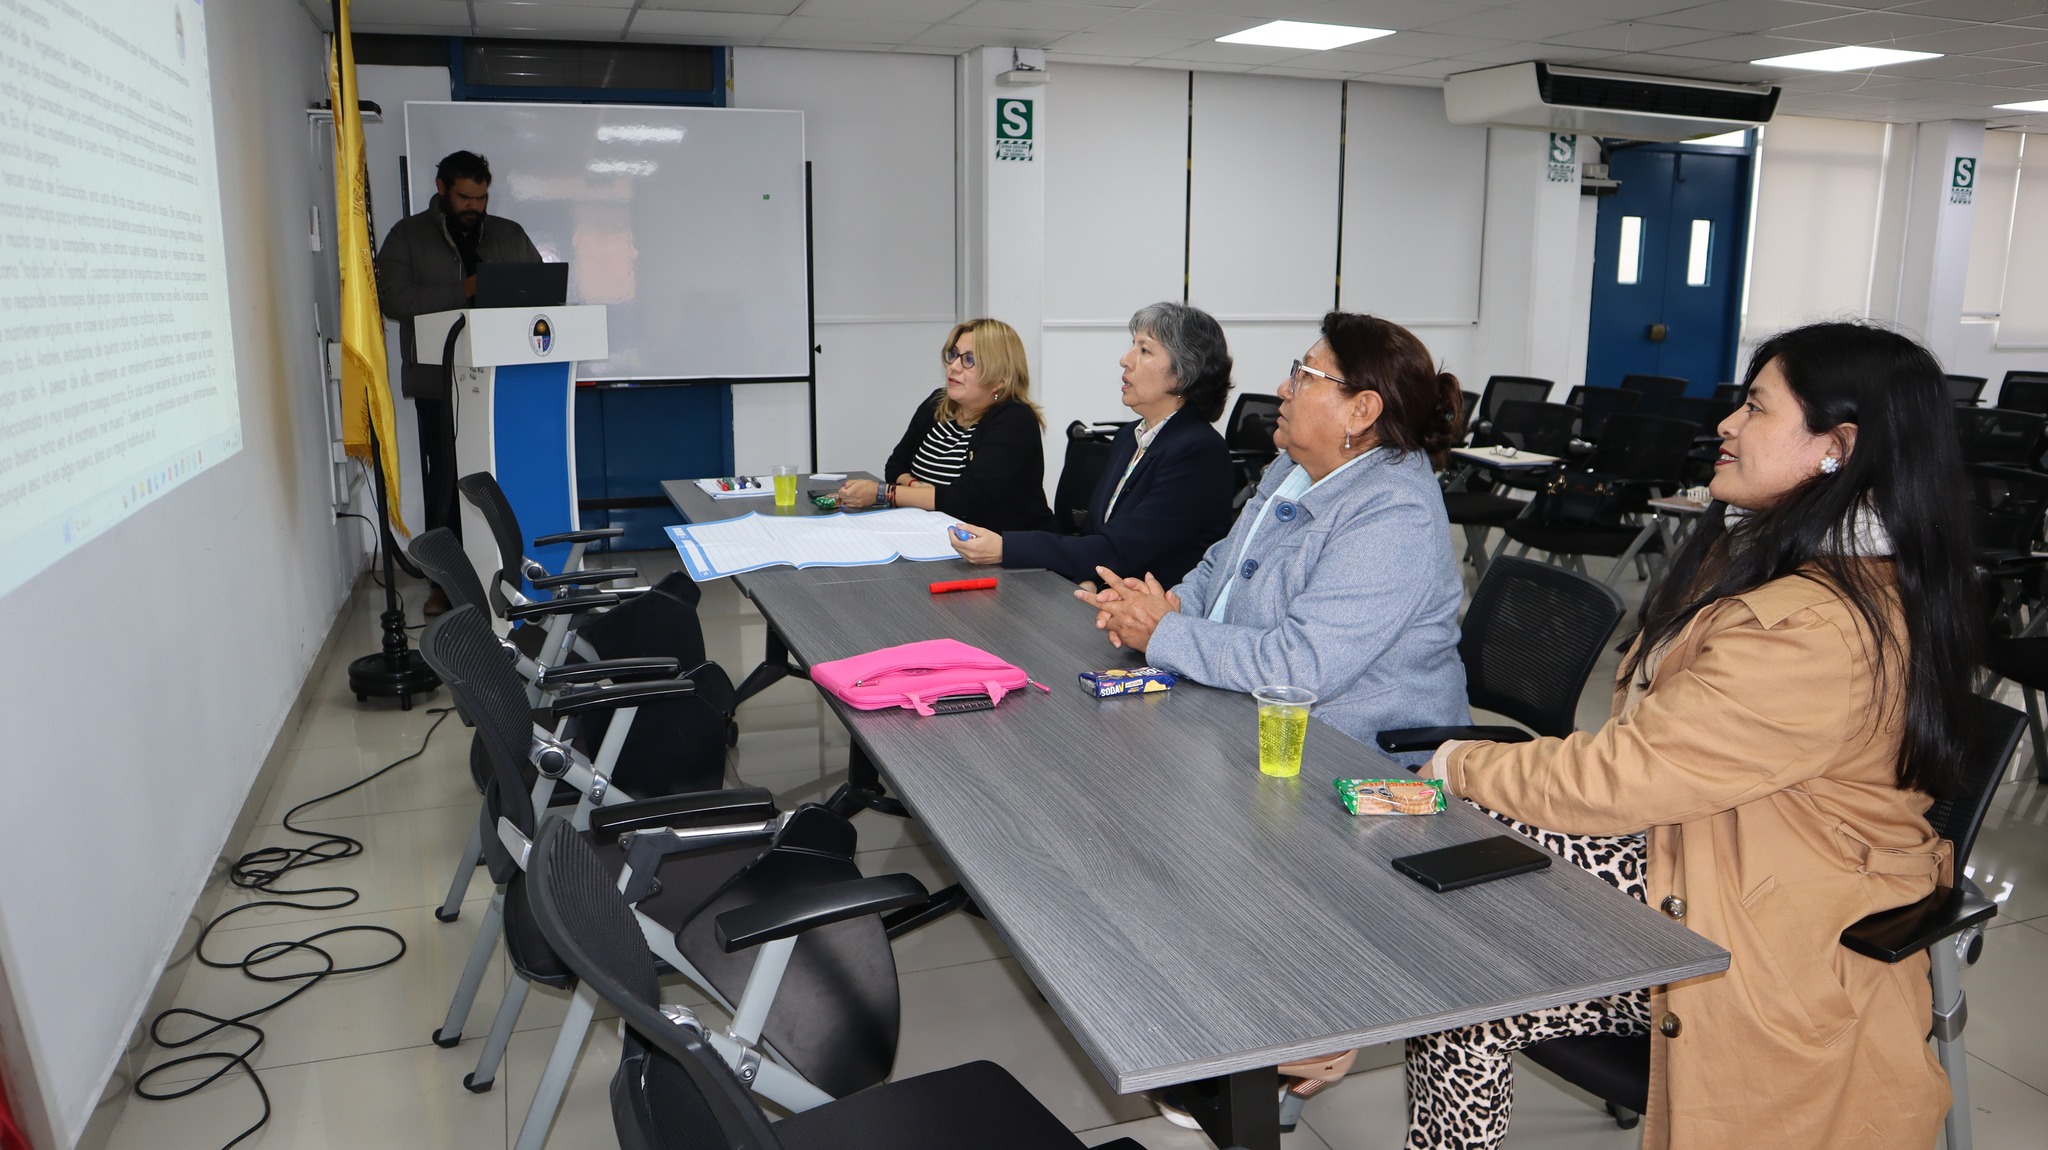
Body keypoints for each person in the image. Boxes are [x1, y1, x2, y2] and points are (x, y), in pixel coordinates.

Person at [1410, 322, 1980, 1150]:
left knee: (1454, 940)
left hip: (1765, 921)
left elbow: (1628, 774)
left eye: (1757, 408)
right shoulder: (1781, 558)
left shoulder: (1819, 626)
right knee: (1446, 925)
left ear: (1838, 447)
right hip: (1708, 853)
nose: (1727, 425)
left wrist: (1463, 765)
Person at [1081, 311, 1470, 759]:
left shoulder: (1396, 514)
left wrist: (1164, 632)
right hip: (1251, 719)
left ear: (1361, 410)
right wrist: (1170, 606)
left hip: (1358, 758)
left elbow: (1299, 667)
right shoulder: (1293, 466)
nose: (1284, 388)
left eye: (1305, 376)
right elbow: (1221, 564)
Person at [948, 302, 1234, 588]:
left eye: (1144, 350)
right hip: (1107, 595)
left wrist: (1005, 548)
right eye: (1132, 346)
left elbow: (1119, 550)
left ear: (1184, 372)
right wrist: (1087, 582)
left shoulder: (1199, 453)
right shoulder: (1129, 437)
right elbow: (1096, 536)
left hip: (1158, 607)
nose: (1125, 360)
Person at [376, 150, 541, 614]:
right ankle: (443, 584)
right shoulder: (407, 236)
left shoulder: (509, 235)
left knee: (505, 478)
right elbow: (393, 299)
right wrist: (462, 291)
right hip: (439, 382)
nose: (474, 206)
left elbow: (542, 291)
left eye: (481, 198)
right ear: (442, 189)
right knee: (446, 484)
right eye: (465, 197)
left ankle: (514, 570)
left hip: (506, 383)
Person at [836, 319, 1055, 534]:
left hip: (1004, 547)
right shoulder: (937, 403)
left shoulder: (1014, 420)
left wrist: (884, 493)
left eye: (969, 359)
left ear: (1000, 379)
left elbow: (962, 500)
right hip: (933, 535)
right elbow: (895, 465)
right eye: (954, 355)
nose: (954, 366)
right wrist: (913, 486)